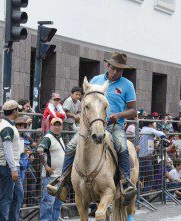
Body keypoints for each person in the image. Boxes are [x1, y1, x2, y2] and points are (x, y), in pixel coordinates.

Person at [47, 52, 137, 205]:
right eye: (113, 68)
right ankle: (62, 182)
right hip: (91, 126)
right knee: (70, 147)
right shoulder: (95, 81)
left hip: (114, 125)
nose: (115, 72)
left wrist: (118, 115)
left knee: (122, 147)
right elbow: (85, 103)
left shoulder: (127, 85)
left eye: (119, 70)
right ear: (107, 66)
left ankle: (125, 183)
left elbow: (133, 110)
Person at [0, 100, 28, 221]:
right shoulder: (7, 127)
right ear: (14, 111)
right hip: (9, 166)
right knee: (7, 197)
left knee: (17, 195)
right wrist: (13, 169)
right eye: (17, 110)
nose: (19, 112)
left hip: (11, 165)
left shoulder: (8, 125)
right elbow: (8, 150)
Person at [37, 117, 65, 221]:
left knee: (57, 201)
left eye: (59, 125)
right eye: (55, 125)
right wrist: (46, 166)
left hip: (59, 175)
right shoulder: (48, 138)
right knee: (48, 200)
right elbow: (39, 150)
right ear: (51, 126)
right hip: (51, 175)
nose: (57, 127)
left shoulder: (59, 138)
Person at [139, 118, 166, 192]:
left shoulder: (143, 129)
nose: (155, 124)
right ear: (150, 124)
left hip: (142, 157)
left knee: (140, 178)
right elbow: (162, 135)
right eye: (154, 123)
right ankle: (144, 197)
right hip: (146, 157)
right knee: (149, 178)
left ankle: (139, 197)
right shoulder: (149, 129)